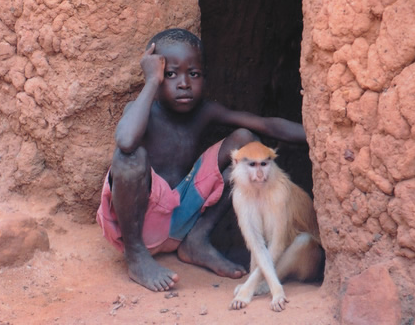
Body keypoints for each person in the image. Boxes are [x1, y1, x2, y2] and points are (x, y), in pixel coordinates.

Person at [96, 28, 306, 292]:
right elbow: (125, 141)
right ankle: (137, 257)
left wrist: (321, 138)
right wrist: (150, 82)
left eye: (193, 74)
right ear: (155, 75)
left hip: (182, 216)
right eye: (170, 74)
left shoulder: (204, 111)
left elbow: (266, 126)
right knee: (129, 157)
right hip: (139, 227)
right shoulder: (143, 110)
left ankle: (196, 240)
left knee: (245, 142)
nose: (184, 83)